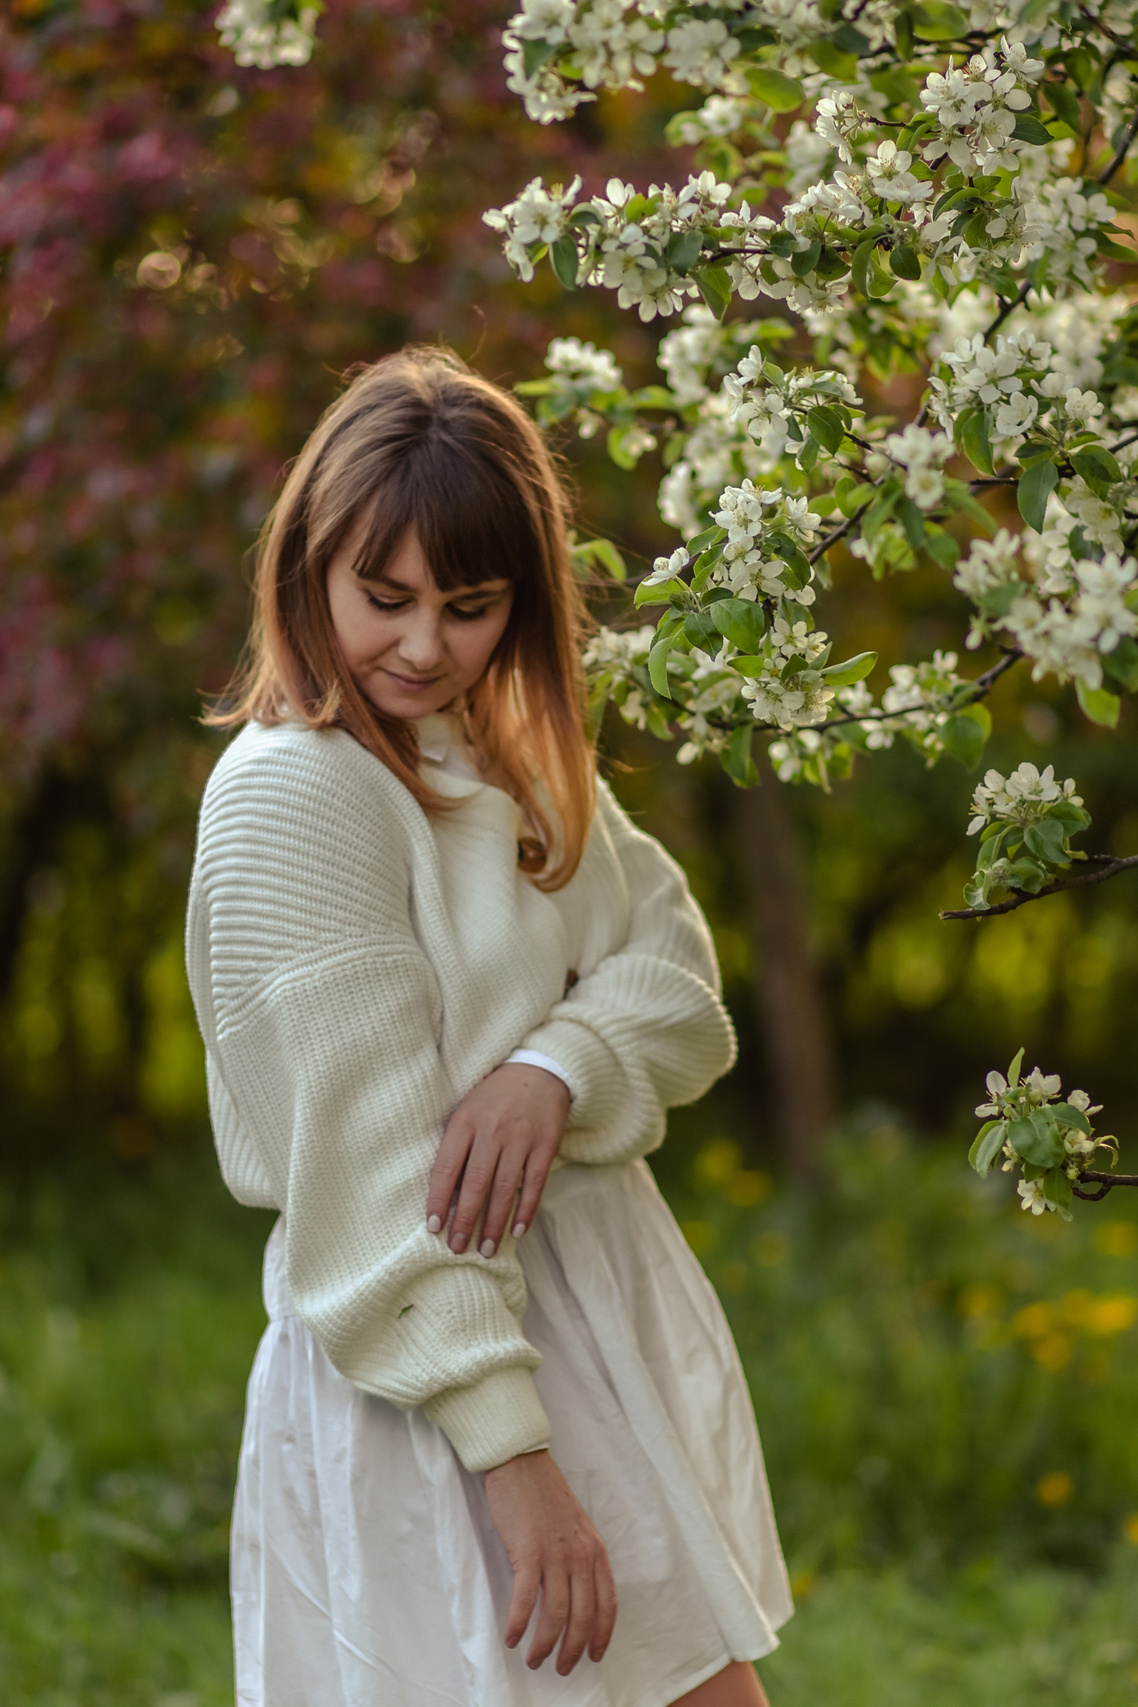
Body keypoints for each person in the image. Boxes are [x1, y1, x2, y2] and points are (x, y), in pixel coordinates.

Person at [185, 346, 792, 1707]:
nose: (420, 646)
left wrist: (554, 1067)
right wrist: (514, 1463)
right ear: (308, 567)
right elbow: (371, 1175)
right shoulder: (294, 793)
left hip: (585, 1323)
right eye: (382, 598)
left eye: (467, 607)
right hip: (437, 1366)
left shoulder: (500, 744)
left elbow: (677, 978)